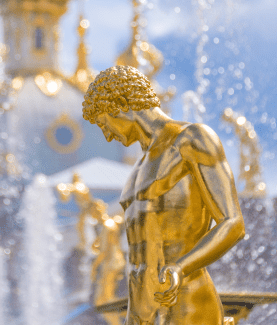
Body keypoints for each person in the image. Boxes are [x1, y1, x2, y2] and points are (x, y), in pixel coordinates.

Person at [82, 66, 245, 325]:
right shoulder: (136, 169)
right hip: (139, 312)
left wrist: (180, 267)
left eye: (105, 123)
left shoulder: (192, 139)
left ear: (122, 104)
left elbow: (233, 224)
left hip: (186, 302)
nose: (108, 135)